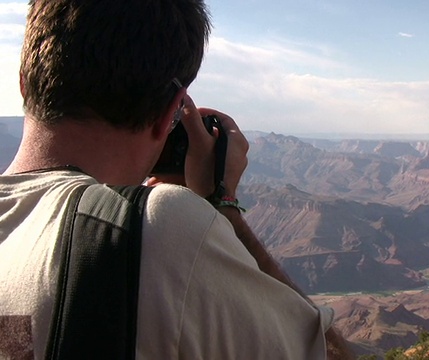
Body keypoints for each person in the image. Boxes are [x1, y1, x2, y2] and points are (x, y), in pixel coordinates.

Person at [0, 0, 352, 359]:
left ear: (24, 85)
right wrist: (223, 206)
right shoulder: (157, 225)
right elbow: (331, 354)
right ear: (171, 112)